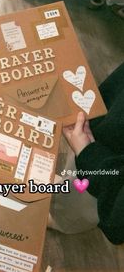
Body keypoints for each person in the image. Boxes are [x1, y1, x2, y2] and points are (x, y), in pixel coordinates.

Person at [50, 62, 124, 245]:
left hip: (107, 167)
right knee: (75, 172)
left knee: (81, 203)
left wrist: (88, 153)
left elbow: (117, 215)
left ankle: (62, 219)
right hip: (101, 136)